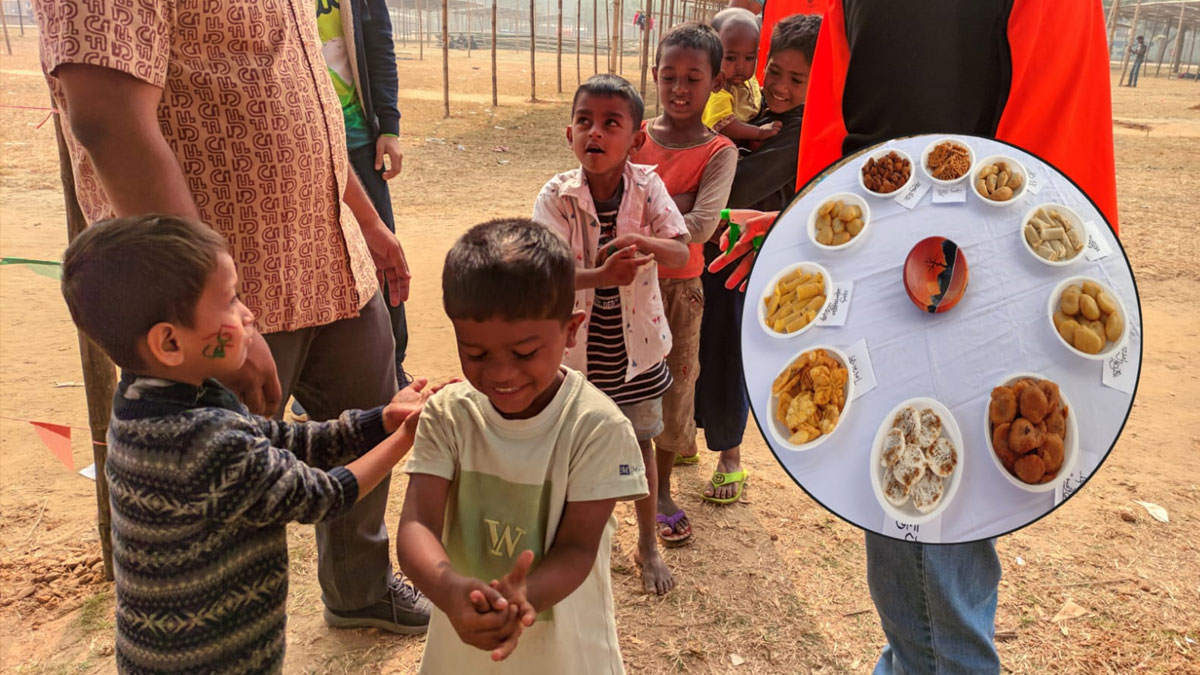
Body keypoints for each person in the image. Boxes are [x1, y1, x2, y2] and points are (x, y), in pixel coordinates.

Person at [34, 0, 428, 633]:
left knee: (362, 404)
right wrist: (227, 318)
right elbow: (109, 119)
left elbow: (308, 101)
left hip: (329, 256)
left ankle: (360, 590)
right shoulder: (199, 333)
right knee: (221, 514)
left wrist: (369, 222)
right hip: (212, 299)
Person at [785, 2, 1118, 673]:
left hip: (951, 290)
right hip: (992, 270)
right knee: (939, 569)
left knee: (929, 547)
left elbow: (902, 147)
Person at [59, 215, 435, 673]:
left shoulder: (154, 398)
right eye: (231, 301)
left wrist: (379, 421)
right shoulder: (200, 441)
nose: (248, 314)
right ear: (170, 343)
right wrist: (402, 440)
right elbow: (321, 496)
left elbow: (280, 440)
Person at [396, 219, 649, 671]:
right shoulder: (449, 415)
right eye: (475, 354)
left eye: (525, 353)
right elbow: (417, 525)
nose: (500, 373)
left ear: (571, 330)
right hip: (462, 651)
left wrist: (520, 596)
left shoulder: (595, 427)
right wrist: (451, 589)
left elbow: (576, 549)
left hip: (564, 653)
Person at [533, 74, 690, 593]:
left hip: (636, 352)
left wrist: (641, 238)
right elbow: (544, 275)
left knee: (641, 443)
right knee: (568, 449)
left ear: (636, 137)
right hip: (574, 355)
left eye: (609, 123)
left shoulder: (648, 188)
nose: (594, 133)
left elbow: (682, 251)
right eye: (584, 121)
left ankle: (647, 547)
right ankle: (570, 544)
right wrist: (602, 275)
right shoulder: (556, 197)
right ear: (568, 132)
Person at [697, 13, 819, 506]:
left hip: (747, 257)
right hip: (711, 247)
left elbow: (741, 185)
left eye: (796, 79)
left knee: (729, 352)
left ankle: (730, 457)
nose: (780, 86)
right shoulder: (750, 111)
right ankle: (690, 431)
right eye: (774, 72)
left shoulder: (795, 132)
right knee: (697, 344)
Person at [629, 24, 738, 539]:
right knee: (622, 380)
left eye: (693, 78)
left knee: (676, 388)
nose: (678, 88)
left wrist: (646, 211)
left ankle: (664, 488)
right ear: (654, 75)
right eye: (669, 75)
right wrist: (678, 209)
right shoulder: (633, 135)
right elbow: (608, 198)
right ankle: (622, 477)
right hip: (625, 283)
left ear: (714, 83)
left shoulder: (720, 152)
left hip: (680, 290)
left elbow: (704, 226)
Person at [315, 0, 410, 397]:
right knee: (314, 262)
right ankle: (314, 380)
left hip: (357, 140)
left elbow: (378, 45)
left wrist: (388, 125)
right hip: (298, 148)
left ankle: (393, 370)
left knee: (382, 256)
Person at [704, 8, 780, 144]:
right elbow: (725, 125)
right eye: (731, 58)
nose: (741, 67)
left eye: (749, 58)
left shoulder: (748, 80)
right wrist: (759, 132)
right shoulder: (717, 89)